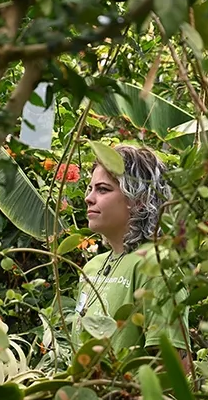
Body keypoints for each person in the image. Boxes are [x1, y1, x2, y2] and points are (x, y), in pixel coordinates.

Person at [72, 144, 190, 359]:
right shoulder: (92, 267)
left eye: (103, 189)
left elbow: (172, 367)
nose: (89, 198)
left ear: (140, 200)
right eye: (90, 189)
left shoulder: (155, 264)